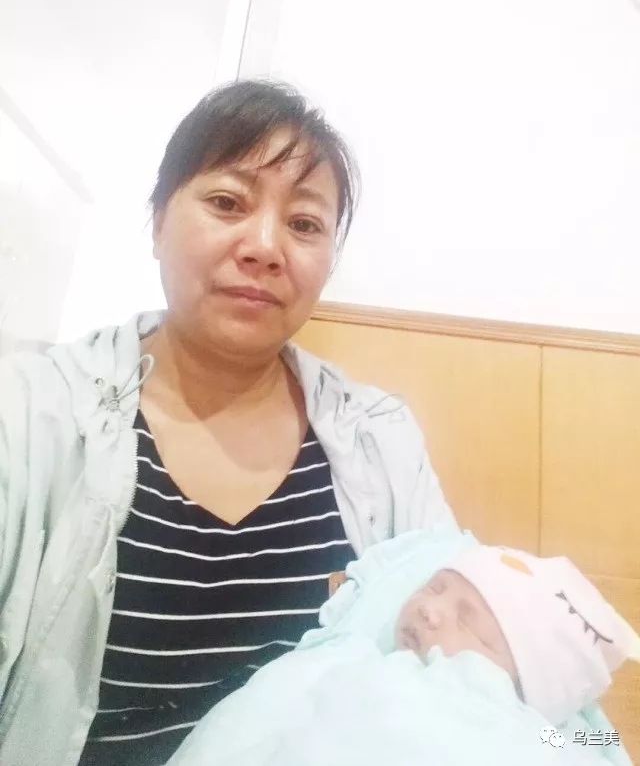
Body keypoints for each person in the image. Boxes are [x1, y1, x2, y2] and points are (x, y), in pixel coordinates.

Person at [0, 79, 458, 766]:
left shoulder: (379, 437)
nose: (266, 246)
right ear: (157, 221)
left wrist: (574, 743)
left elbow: (470, 669)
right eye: (227, 202)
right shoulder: (30, 413)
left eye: (304, 224)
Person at [395, 544, 640, 726]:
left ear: (521, 693)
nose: (429, 610)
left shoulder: (532, 741)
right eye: (433, 588)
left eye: (467, 624)